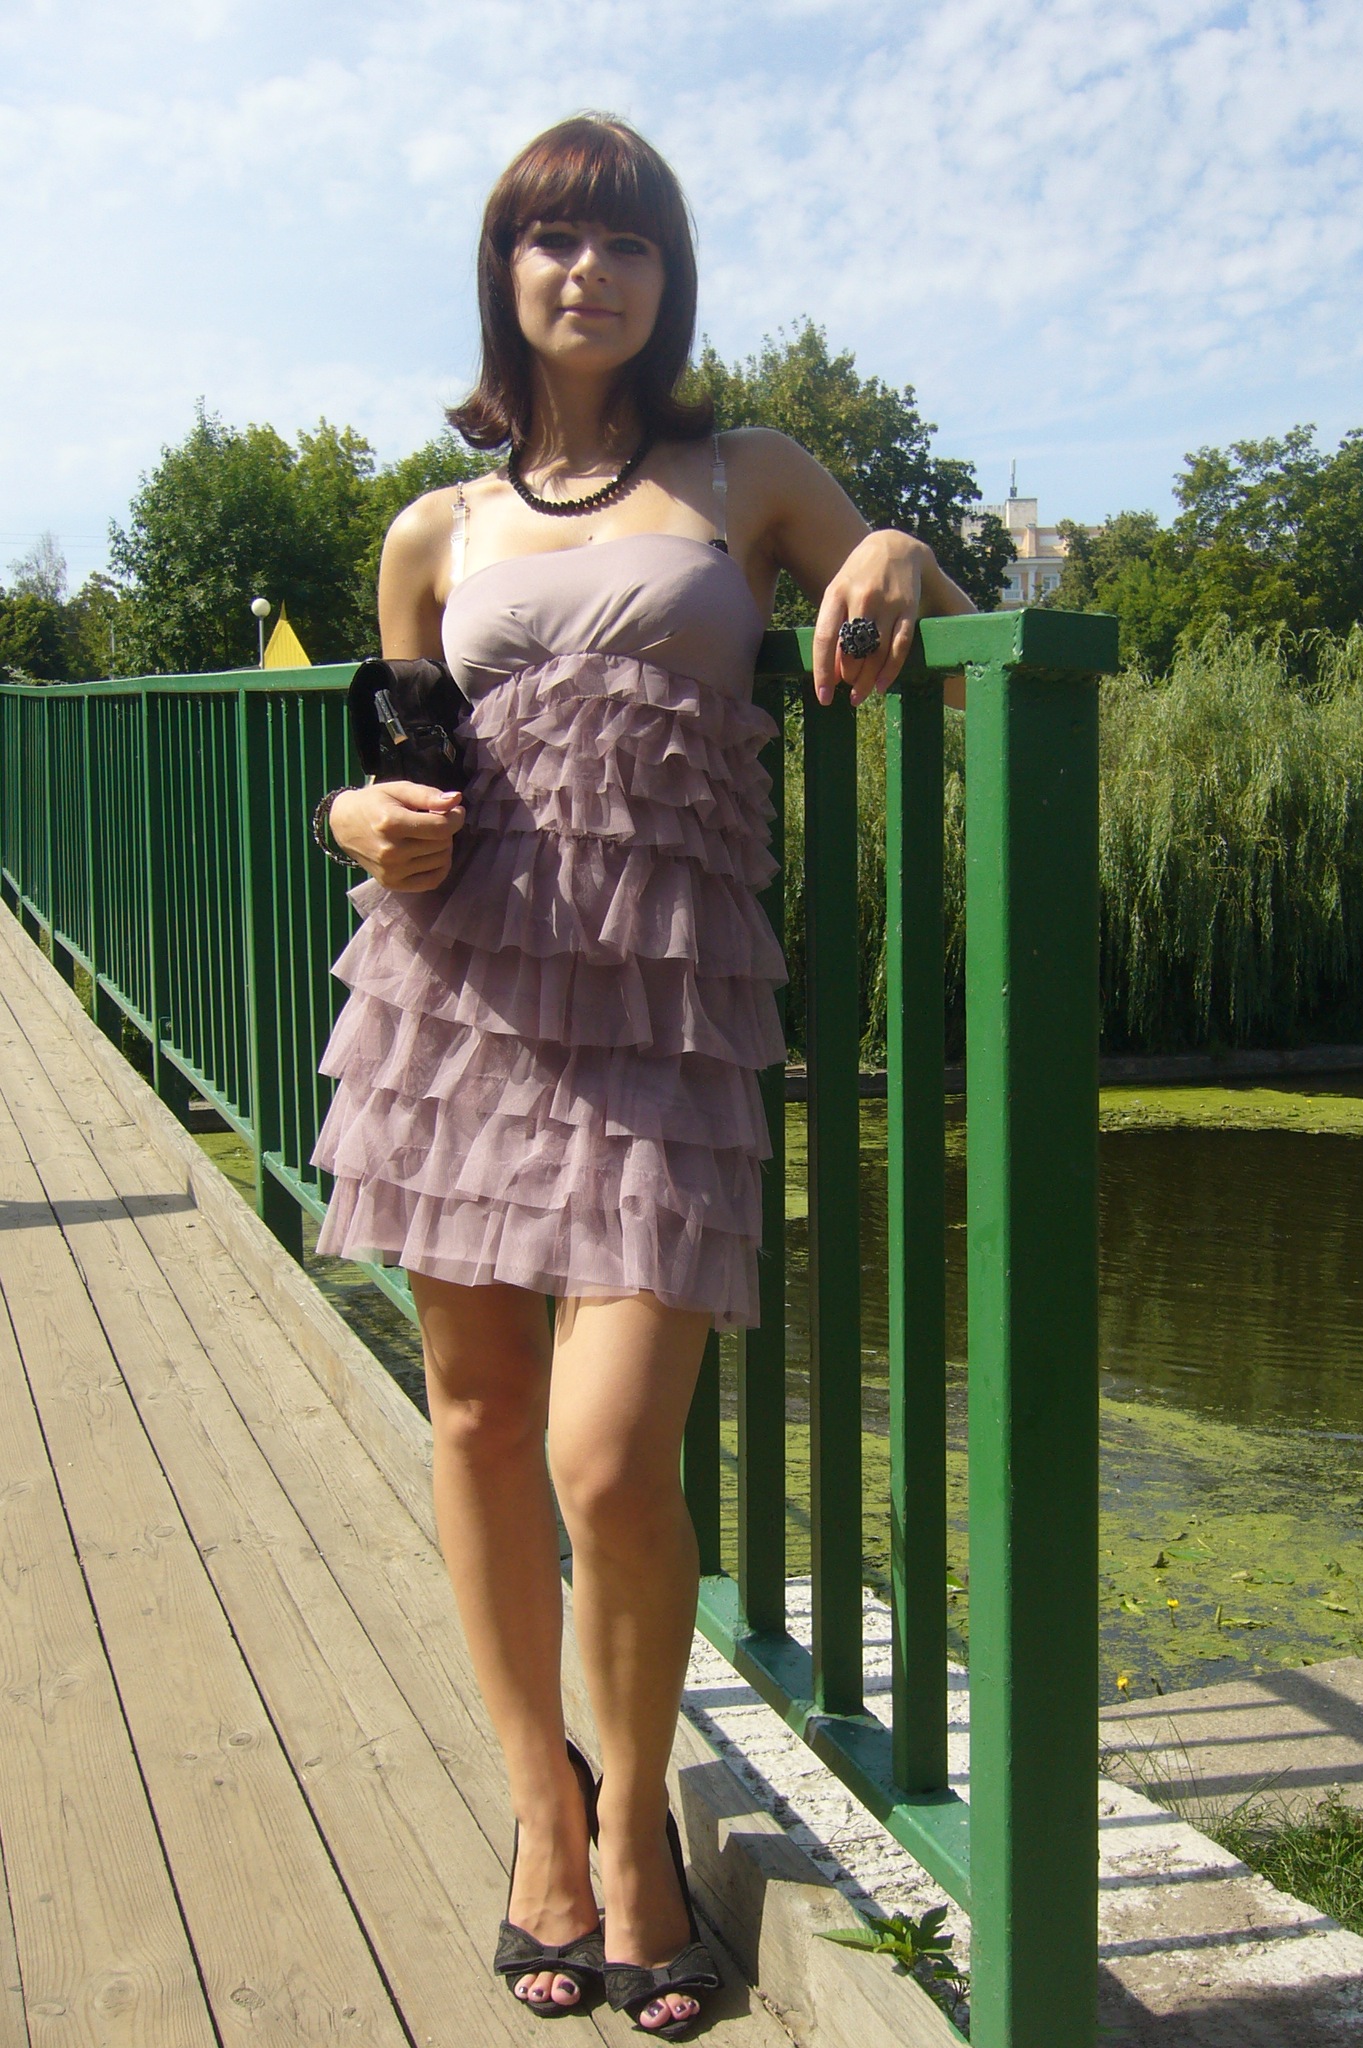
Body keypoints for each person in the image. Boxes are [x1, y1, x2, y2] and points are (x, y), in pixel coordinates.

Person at [313, 112, 972, 2036]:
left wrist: (900, 549)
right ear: (503, 272)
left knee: (607, 1458)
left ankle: (631, 1823)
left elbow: (920, 619)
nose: (588, 272)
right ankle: (552, 1815)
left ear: (669, 282)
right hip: (459, 1008)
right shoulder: (432, 533)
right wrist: (360, 821)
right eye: (553, 239)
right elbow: (398, 761)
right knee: (475, 1419)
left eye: (628, 244)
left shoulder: (746, 475)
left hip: (668, 1019)